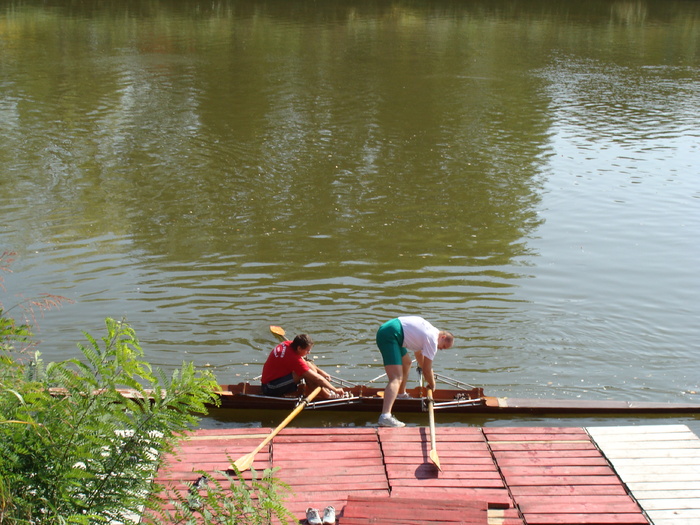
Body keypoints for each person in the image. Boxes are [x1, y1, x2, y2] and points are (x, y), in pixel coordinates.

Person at [375, 316, 454, 427]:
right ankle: (385, 416)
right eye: (443, 347)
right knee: (396, 378)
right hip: (390, 335)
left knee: (407, 362)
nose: (440, 349)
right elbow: (426, 369)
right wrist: (432, 383)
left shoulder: (431, 331)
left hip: (390, 330)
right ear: (443, 337)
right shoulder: (432, 340)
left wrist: (428, 376)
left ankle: (401, 394)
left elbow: (419, 355)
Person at [261, 334, 344, 399]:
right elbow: (317, 378)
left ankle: (326, 391)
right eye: (307, 350)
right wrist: (335, 389)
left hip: (276, 378)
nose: (309, 353)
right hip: (270, 388)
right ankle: (327, 396)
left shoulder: (288, 344)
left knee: (307, 365)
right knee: (306, 374)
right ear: (299, 348)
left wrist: (321, 372)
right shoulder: (293, 358)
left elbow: (306, 363)